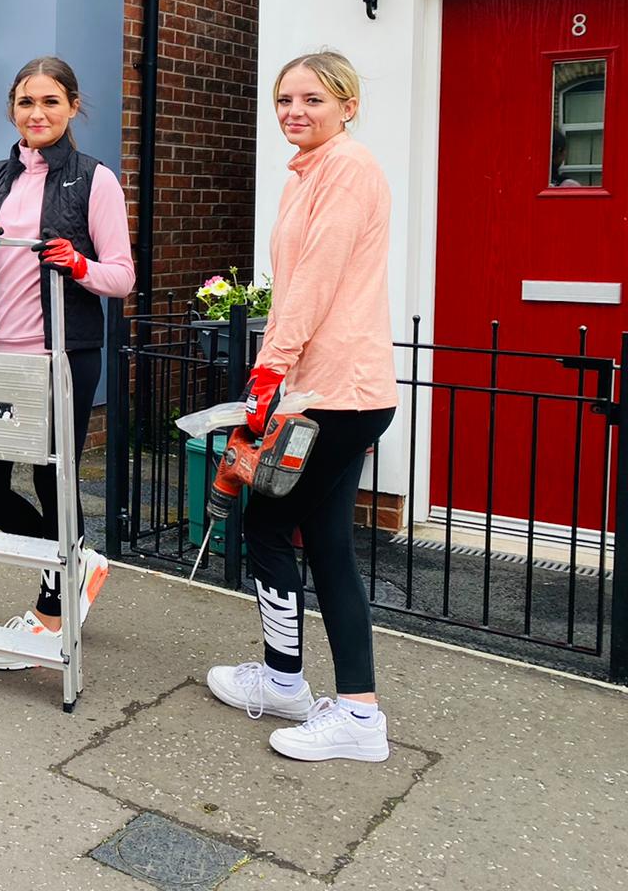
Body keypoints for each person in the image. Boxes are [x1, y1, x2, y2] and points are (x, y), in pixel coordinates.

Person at [205, 50, 398, 763]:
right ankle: (337, 700)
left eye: (313, 99)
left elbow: (314, 282)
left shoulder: (347, 168)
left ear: (347, 105)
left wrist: (267, 375)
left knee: (268, 521)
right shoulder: (308, 173)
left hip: (336, 393)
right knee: (325, 544)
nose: (294, 111)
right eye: (284, 99)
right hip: (329, 389)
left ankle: (320, 698)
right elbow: (296, 286)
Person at [0, 56, 134, 669]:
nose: (38, 113)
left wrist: (80, 265)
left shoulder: (94, 179)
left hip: (61, 356)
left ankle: (52, 613)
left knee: (51, 478)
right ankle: (74, 561)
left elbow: (122, 275)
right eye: (27, 102)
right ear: (13, 109)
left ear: (73, 106)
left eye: (51, 101)